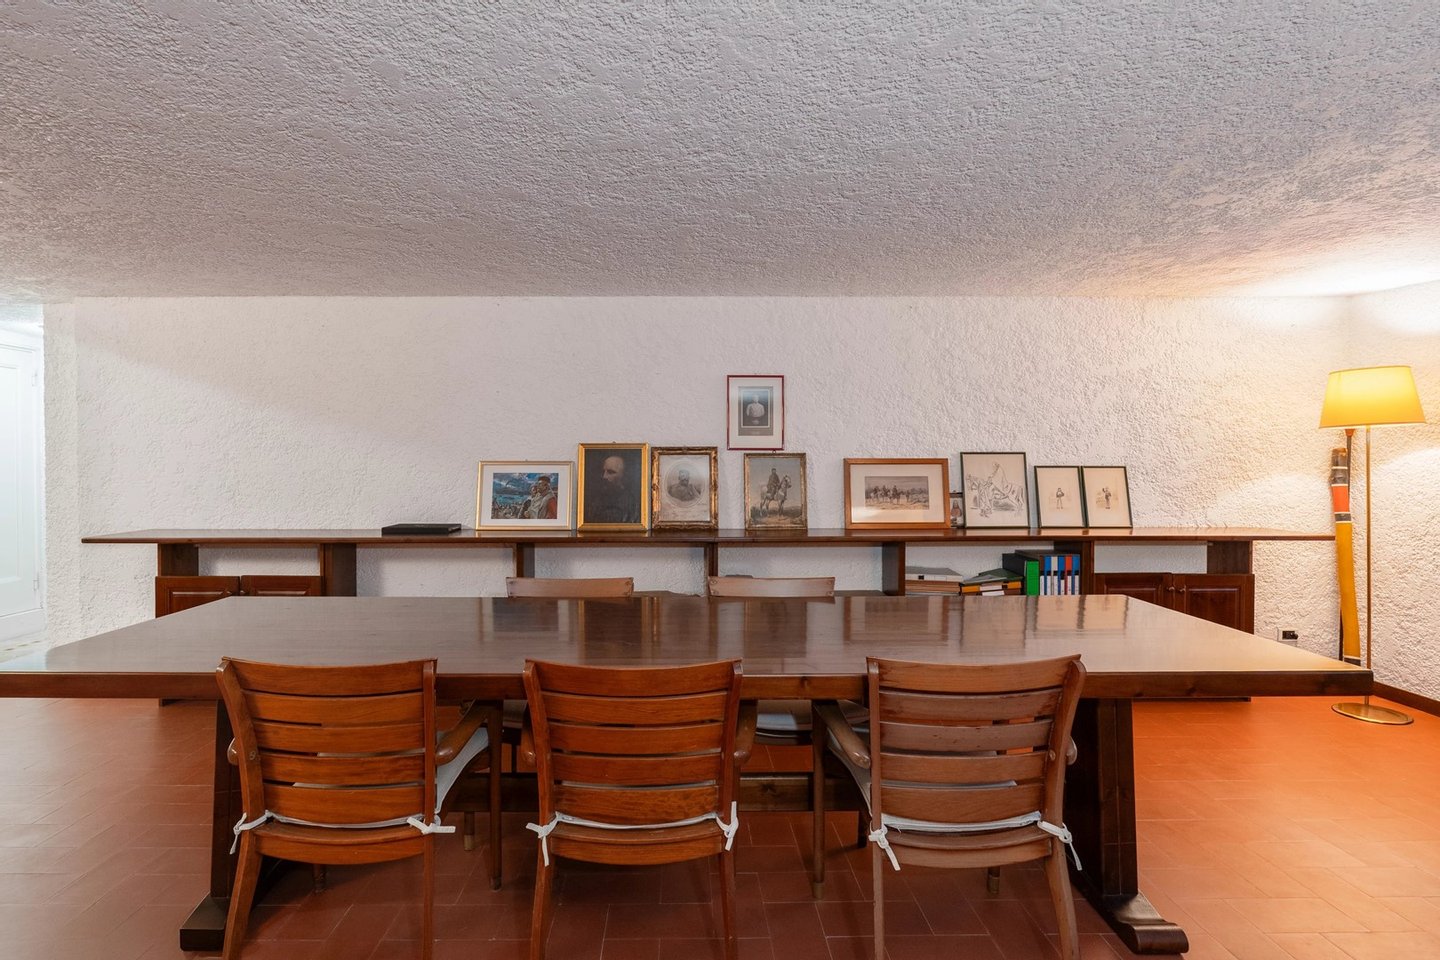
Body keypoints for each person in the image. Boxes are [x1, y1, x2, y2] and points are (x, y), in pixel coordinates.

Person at [588, 454, 639, 523]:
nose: (604, 477)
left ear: (623, 475)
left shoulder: (631, 502)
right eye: (603, 472)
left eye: (610, 472)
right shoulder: (596, 500)